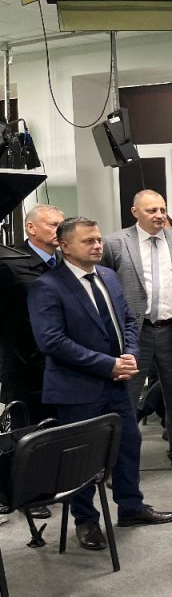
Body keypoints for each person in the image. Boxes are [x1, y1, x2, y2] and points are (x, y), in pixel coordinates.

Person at [27, 217, 172, 551]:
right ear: (65, 246)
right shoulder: (47, 286)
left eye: (98, 240)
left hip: (117, 384)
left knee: (129, 444)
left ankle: (131, 507)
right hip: (76, 388)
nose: (97, 246)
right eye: (88, 241)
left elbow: (128, 320)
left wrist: (130, 356)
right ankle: (86, 520)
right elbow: (52, 341)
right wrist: (108, 365)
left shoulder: (108, 276)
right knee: (81, 457)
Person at [101, 190, 172, 473]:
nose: (159, 215)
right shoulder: (114, 244)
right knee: (125, 398)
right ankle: (116, 462)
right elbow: (103, 287)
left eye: (162, 209)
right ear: (135, 212)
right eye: (152, 210)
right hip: (135, 335)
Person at [0, 204, 63, 520]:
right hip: (24, 365)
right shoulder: (10, 264)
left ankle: (49, 484)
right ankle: (27, 493)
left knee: (53, 427)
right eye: (52, 225)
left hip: (59, 363)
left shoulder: (63, 263)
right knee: (26, 432)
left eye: (62, 225)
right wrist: (35, 360)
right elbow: (10, 324)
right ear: (31, 228)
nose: (59, 230)